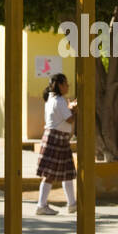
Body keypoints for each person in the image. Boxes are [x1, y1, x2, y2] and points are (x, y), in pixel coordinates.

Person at [35, 73, 76, 216]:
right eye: (66, 83)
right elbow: (70, 119)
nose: (68, 86)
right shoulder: (59, 100)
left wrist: (69, 107)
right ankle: (41, 205)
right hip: (56, 139)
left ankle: (72, 204)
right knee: (50, 174)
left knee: (67, 173)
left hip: (57, 138)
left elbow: (64, 116)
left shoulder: (52, 99)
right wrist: (74, 109)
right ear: (59, 85)